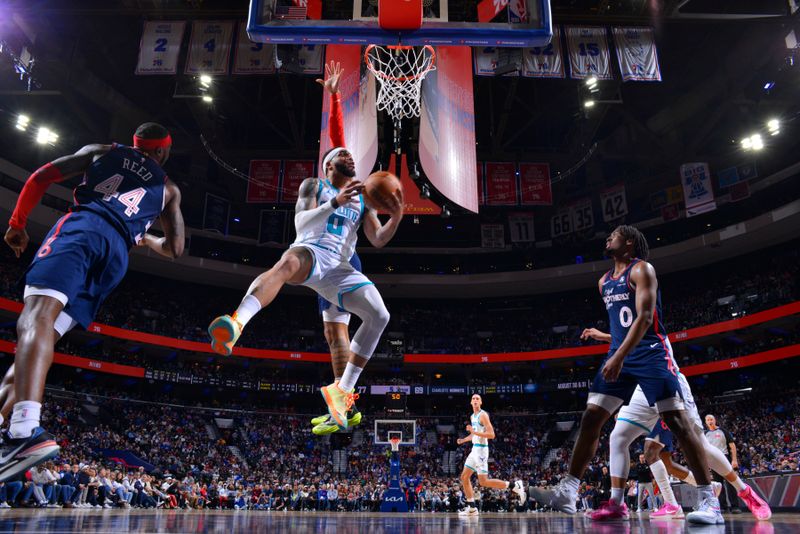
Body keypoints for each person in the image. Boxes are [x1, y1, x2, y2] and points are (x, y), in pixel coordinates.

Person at [208, 61, 403, 430]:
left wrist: (398, 213)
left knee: (344, 330)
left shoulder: (361, 196)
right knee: (286, 263)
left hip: (344, 266)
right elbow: (299, 223)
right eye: (341, 155)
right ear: (329, 165)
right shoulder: (316, 186)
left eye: (350, 155)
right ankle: (236, 322)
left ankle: (342, 399)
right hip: (311, 252)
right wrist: (333, 203)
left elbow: (377, 239)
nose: (349, 156)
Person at [1, 123, 184, 481]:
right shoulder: (168, 188)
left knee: (33, 320)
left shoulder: (103, 150)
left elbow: (41, 176)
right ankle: (9, 429)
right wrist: (146, 240)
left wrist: (17, 222)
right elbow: (176, 249)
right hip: (115, 256)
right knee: (41, 339)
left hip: (84, 228)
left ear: (135, 144)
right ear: (163, 152)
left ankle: (25, 430)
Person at [531, 225, 721, 525]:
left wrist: (618, 356)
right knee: (591, 416)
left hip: (651, 355)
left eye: (615, 235)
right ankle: (568, 490)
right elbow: (624, 323)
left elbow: (645, 318)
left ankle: (709, 500)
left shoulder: (642, 269)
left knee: (678, 423)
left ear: (629, 242)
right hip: (621, 356)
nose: (608, 238)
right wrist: (608, 341)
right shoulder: (604, 281)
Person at [309, 63, 365, 436]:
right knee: (332, 335)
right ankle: (341, 407)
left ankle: (344, 406)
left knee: (338, 335)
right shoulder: (334, 176)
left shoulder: (343, 181)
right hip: (332, 261)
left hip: (336, 262)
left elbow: (338, 138)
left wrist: (335, 97)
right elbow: (337, 137)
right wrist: (333, 95)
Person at [456, 394, 525, 517]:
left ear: (481, 402)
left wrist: (474, 431)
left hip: (482, 451)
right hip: (474, 450)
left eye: (477, 399)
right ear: (471, 402)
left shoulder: (483, 415)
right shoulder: (473, 416)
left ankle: (515, 485)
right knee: (464, 477)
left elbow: (492, 434)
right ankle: (472, 508)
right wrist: (464, 440)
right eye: (473, 399)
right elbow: (474, 435)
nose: (475, 400)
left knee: (484, 482)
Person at [706, 414, 746, 514]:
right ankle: (722, 507)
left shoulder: (723, 431)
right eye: (708, 420)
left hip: (725, 457)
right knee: (718, 485)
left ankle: (735, 506)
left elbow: (732, 446)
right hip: (713, 460)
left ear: (715, 420)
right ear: (706, 422)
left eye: (711, 419)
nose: (710, 421)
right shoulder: (705, 434)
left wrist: (734, 460)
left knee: (730, 483)